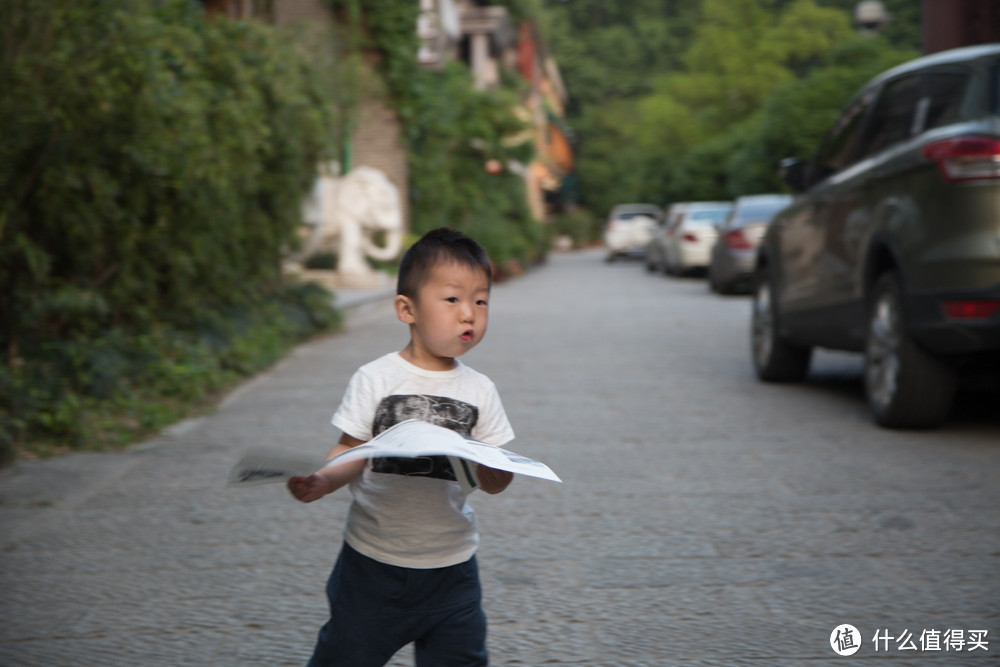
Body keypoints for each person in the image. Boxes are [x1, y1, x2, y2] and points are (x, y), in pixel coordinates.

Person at [287, 227, 515, 667]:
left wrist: (494, 471)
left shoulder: (481, 390)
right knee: (346, 656)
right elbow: (350, 450)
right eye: (452, 300)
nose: (469, 313)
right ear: (406, 309)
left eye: (481, 300)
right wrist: (322, 480)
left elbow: (496, 479)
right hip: (373, 565)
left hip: (452, 566)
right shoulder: (375, 378)